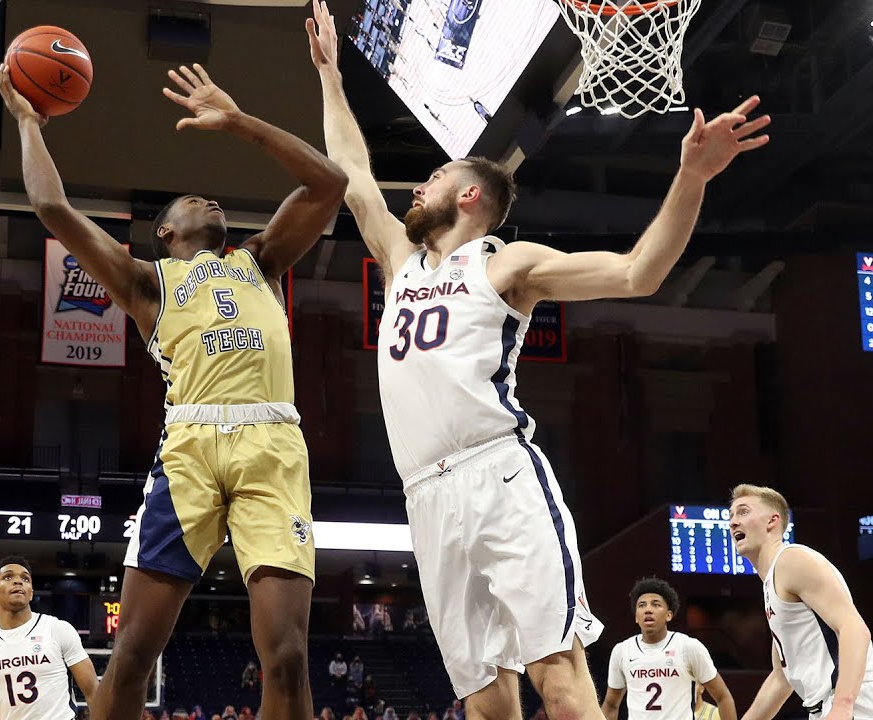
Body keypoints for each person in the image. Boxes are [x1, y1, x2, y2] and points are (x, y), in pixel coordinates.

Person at [305, 0, 770, 716]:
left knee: (556, 667)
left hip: (498, 474)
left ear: (467, 196)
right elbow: (354, 174)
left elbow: (636, 273)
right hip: (425, 497)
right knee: (486, 696)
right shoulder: (400, 263)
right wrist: (331, 79)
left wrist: (693, 179)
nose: (416, 188)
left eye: (430, 179)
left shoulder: (504, 262)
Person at [0, 44, 347, 720]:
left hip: (272, 445)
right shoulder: (145, 282)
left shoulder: (262, 261)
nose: (209, 198)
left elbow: (328, 184)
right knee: (129, 658)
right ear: (165, 231)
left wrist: (241, 122)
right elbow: (50, 206)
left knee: (290, 657)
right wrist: (28, 122)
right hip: (187, 452)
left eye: (210, 196)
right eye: (192, 200)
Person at [731, 485, 873, 720]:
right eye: (732, 515)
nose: (734, 522)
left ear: (772, 521)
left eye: (743, 512)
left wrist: (843, 706)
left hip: (855, 699)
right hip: (825, 706)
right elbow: (781, 678)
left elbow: (854, 628)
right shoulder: (772, 583)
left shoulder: (791, 560)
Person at [0, 556, 100, 720]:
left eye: (25, 578)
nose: (18, 581)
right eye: (8, 577)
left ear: (31, 593)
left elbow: (94, 692)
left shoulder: (57, 629)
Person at [600, 578, 737, 720]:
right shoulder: (622, 650)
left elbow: (723, 697)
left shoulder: (688, 647)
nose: (648, 610)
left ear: (669, 615)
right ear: (636, 617)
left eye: (656, 604)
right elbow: (610, 706)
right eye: (642, 605)